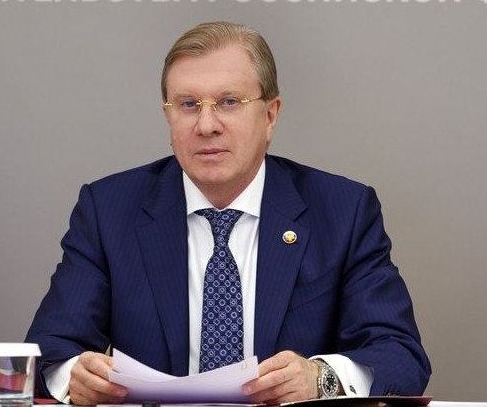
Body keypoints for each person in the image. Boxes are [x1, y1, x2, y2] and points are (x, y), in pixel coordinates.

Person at [25, 21, 431, 405]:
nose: (206, 125)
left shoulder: (342, 211)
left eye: (229, 102)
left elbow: (399, 356)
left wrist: (318, 378)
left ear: (270, 115)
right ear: (168, 115)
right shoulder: (109, 210)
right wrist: (75, 376)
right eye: (188, 104)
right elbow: (49, 352)